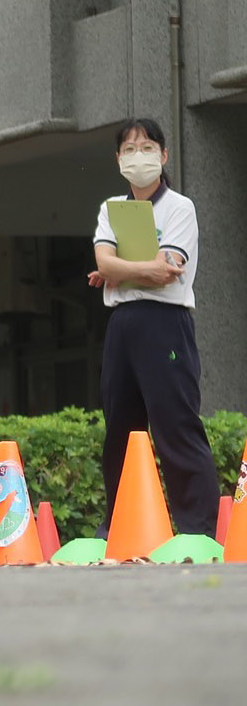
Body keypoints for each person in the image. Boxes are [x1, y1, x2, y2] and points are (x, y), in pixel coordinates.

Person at [88, 118, 219, 536]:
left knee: (174, 424)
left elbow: (168, 273)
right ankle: (120, 528)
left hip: (165, 323)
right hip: (122, 326)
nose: (137, 156)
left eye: (147, 147)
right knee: (120, 433)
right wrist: (134, 269)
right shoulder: (112, 208)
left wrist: (118, 271)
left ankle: (197, 527)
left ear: (163, 156)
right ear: (117, 159)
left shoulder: (179, 207)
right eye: (129, 148)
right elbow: (106, 262)